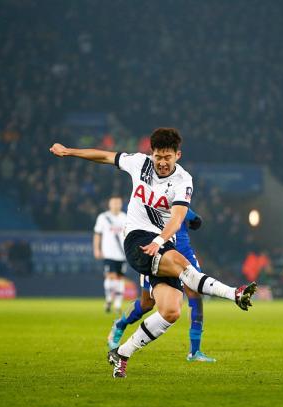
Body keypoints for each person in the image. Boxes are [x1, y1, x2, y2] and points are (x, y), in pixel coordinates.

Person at [50, 127, 257, 378]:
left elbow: (178, 217)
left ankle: (122, 353)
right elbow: (104, 156)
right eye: (158, 156)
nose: (161, 162)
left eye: (167, 157)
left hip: (160, 242)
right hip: (137, 239)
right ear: (152, 153)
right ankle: (234, 293)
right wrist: (69, 151)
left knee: (171, 311)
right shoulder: (139, 163)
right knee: (182, 268)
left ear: (177, 155)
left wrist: (160, 240)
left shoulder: (183, 180)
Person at [107, 206, 216, 362]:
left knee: (195, 296)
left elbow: (196, 221)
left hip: (184, 252)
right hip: (157, 253)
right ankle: (121, 324)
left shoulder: (178, 200)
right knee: (147, 303)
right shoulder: (151, 202)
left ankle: (194, 351)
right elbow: (195, 222)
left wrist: (189, 217)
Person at [93, 196, 127, 314]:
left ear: (121, 204)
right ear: (109, 204)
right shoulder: (103, 217)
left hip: (122, 254)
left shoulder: (125, 217)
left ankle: (117, 304)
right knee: (110, 276)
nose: (116, 205)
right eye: (114, 203)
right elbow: (97, 234)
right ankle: (108, 300)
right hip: (108, 253)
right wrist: (97, 249)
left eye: (118, 203)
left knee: (120, 278)